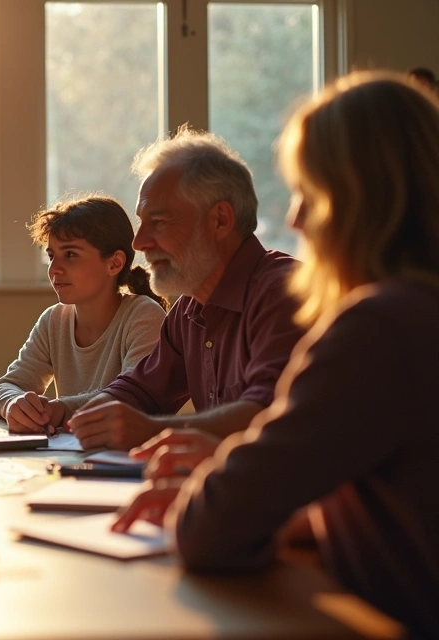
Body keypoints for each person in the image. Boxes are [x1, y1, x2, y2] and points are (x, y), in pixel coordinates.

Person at [114, 72, 439, 635]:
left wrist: (216, 480)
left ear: (365, 199)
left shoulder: (380, 326)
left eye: (309, 193)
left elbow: (208, 530)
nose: (293, 219)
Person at [66, 128, 306, 450]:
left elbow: (270, 414)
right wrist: (59, 411)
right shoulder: (188, 309)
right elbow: (142, 391)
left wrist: (152, 430)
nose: (139, 242)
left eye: (159, 222)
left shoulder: (285, 293)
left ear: (220, 220)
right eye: (141, 223)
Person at [0, 195, 166, 434]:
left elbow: (134, 398)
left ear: (114, 264)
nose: (54, 268)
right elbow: (7, 385)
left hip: (129, 460)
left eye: (70, 254)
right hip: (71, 456)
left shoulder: (143, 316)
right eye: (52, 256)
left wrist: (63, 409)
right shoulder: (54, 320)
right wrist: (13, 404)